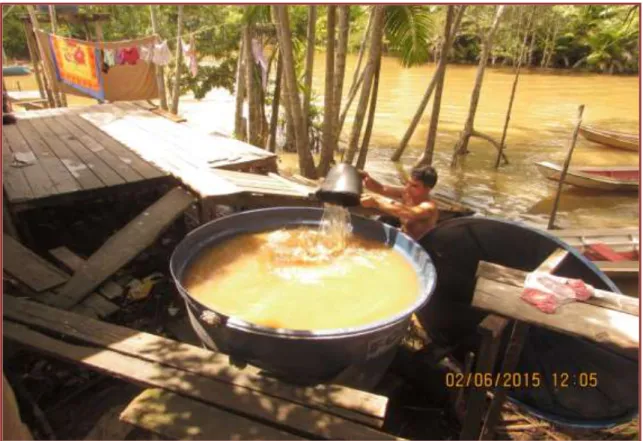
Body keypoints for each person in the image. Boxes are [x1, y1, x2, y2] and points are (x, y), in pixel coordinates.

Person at [360, 165, 439, 240]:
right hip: (401, 235)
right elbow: (382, 188)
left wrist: (377, 201)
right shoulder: (406, 193)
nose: (407, 188)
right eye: (408, 183)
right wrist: (367, 179)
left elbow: (409, 213)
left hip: (417, 246)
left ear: (428, 189)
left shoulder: (429, 206)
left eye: (414, 186)